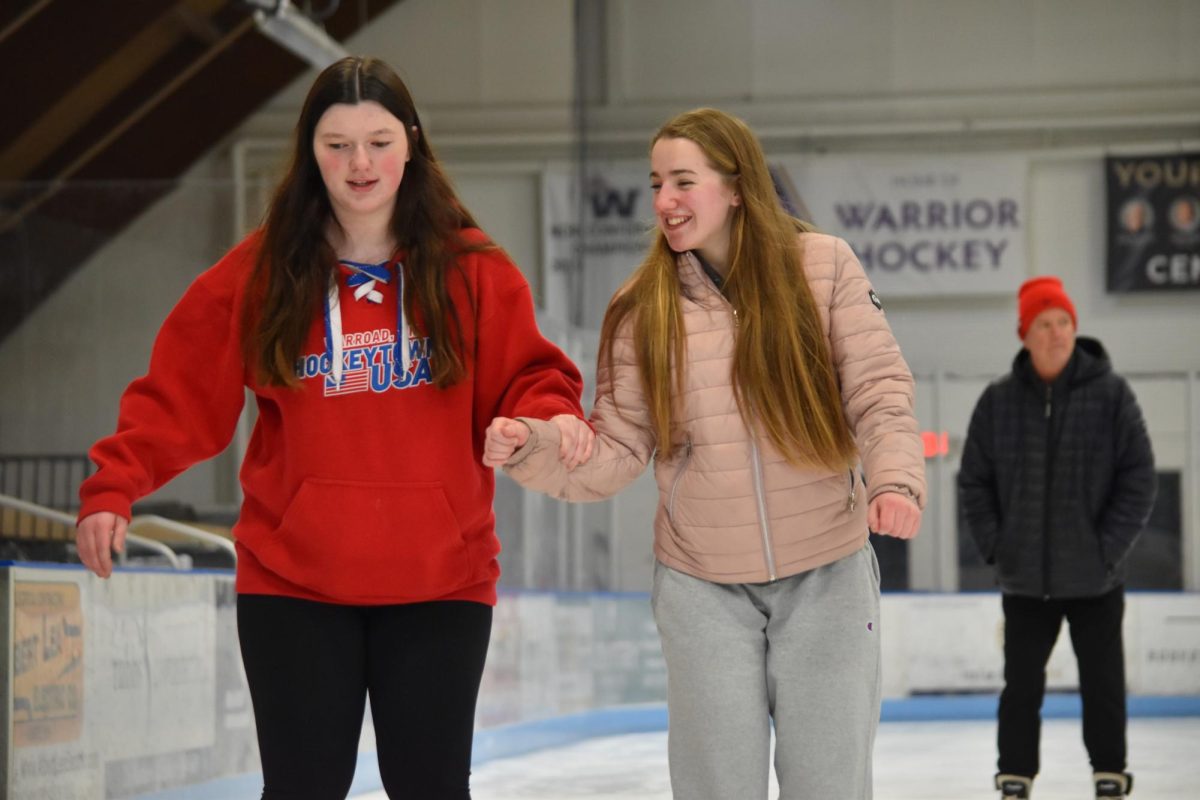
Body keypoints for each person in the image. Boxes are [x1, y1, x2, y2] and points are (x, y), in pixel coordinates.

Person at [74, 56, 592, 800]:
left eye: (379, 141)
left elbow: (533, 375)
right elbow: (180, 393)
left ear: (411, 143)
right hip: (294, 587)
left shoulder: (475, 271)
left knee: (431, 787)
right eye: (337, 144)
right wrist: (114, 485)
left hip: (441, 583)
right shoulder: (259, 275)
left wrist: (548, 420)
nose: (360, 163)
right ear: (309, 152)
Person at [483, 108, 925, 799]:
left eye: (683, 182)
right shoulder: (642, 308)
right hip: (702, 586)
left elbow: (879, 391)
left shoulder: (823, 266)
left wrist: (894, 481)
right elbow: (618, 447)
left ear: (737, 186)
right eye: (657, 183)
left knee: (829, 785)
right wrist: (534, 447)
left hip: (827, 574)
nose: (664, 201)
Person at [958, 276, 1156, 800]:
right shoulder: (998, 401)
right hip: (1025, 581)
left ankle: (1109, 773)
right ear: (1025, 333)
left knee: (1104, 686)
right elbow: (973, 482)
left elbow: (1139, 478)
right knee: (1021, 688)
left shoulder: (1112, 395)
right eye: (1044, 324)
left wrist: (1106, 550)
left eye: (1064, 321)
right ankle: (1015, 777)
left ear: (1075, 327)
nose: (1056, 333)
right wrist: (1000, 550)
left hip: (1095, 579)